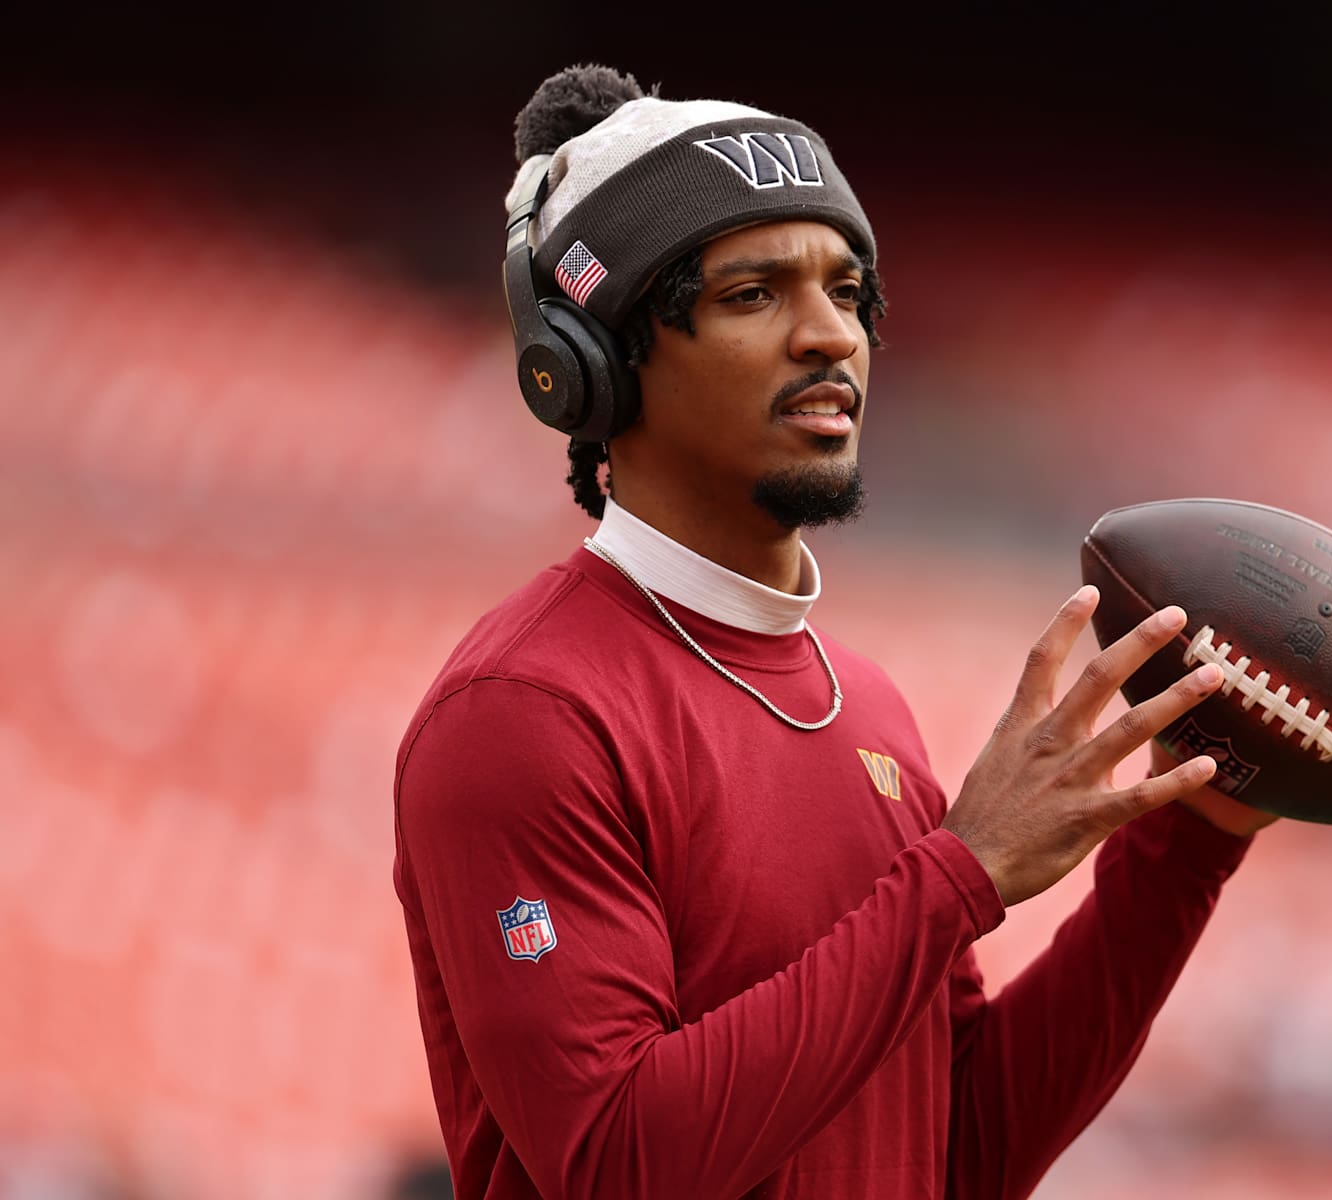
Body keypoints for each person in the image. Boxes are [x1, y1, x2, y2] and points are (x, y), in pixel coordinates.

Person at [392, 64, 1278, 1200]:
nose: (832, 337)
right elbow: (617, 1161)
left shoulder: (863, 702)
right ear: (597, 365)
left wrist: (1194, 839)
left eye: (849, 290)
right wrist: (959, 876)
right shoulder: (524, 712)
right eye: (754, 294)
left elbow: (956, 1153)